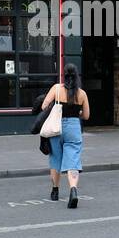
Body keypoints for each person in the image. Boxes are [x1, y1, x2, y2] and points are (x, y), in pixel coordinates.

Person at [45, 64, 89, 208]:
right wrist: (79, 113)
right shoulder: (82, 94)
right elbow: (87, 116)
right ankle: (73, 189)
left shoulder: (56, 89)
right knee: (73, 160)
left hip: (56, 127)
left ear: (64, 76)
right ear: (77, 77)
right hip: (74, 127)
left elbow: (44, 106)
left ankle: (55, 191)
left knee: (55, 157)